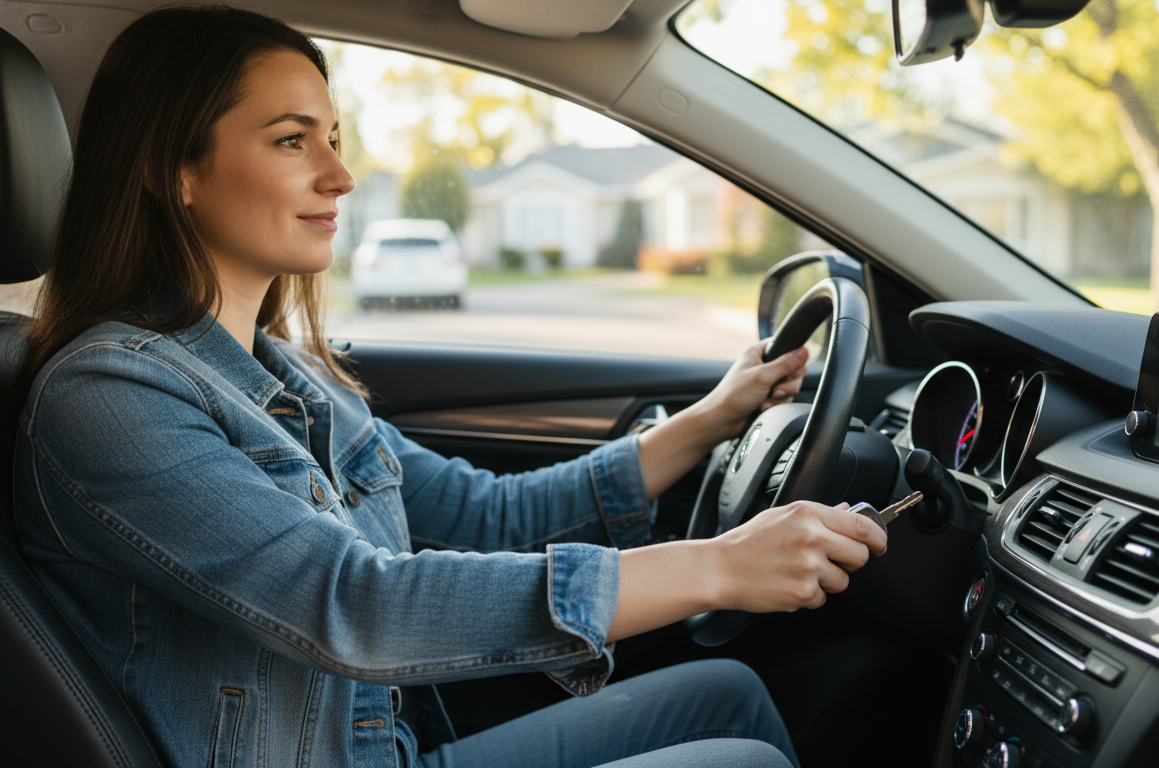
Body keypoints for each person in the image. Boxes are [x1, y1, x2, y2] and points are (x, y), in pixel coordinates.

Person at [12, 6, 887, 768]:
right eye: (291, 139)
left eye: (335, 137)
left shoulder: (286, 375)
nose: (340, 175)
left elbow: (483, 516)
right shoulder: (108, 398)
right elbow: (358, 605)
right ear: (177, 173)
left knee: (724, 697)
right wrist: (715, 567)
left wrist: (706, 423)